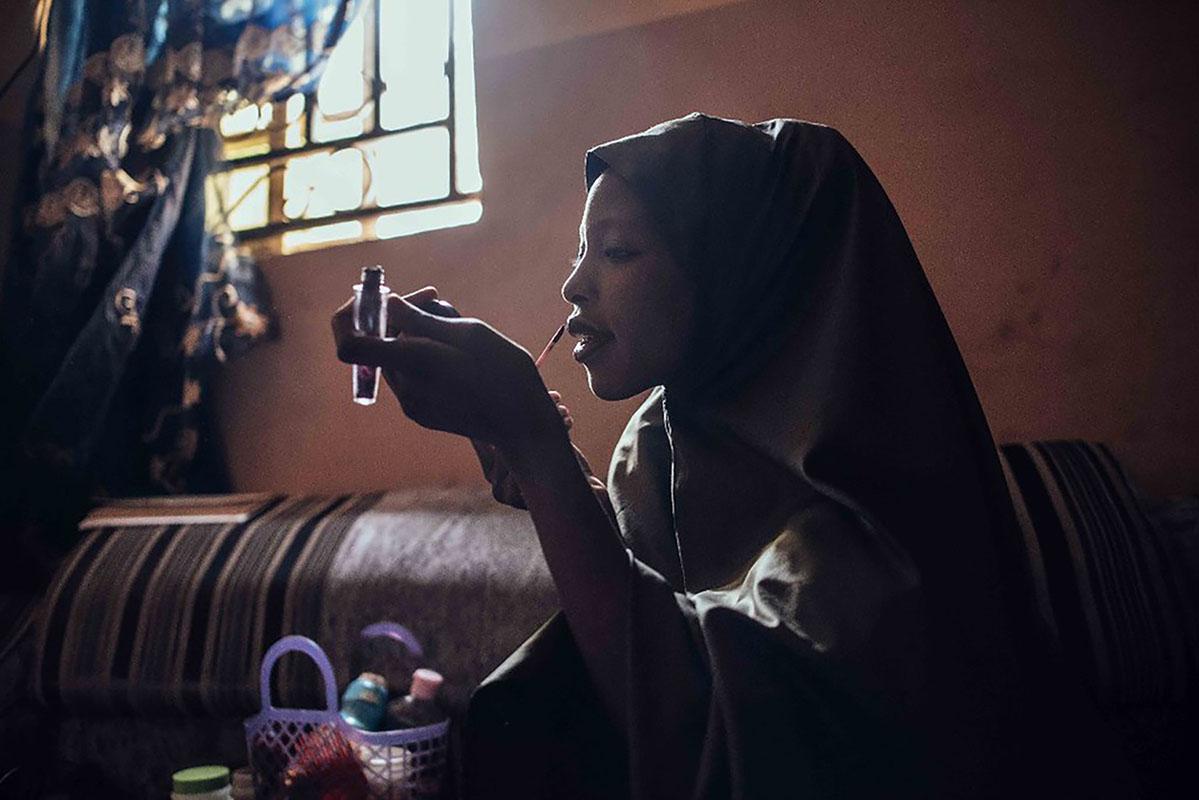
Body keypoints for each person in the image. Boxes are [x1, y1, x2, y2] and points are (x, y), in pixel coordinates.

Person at [332, 113, 1135, 798]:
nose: (574, 287)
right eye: (582, 253)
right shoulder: (660, 442)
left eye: (615, 253)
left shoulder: (866, 502)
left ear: (743, 277)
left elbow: (719, 740)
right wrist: (535, 459)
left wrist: (540, 453)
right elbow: (653, 633)